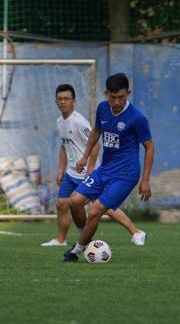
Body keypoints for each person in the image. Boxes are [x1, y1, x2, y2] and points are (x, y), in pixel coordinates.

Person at [62, 73, 154, 262]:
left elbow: (149, 147)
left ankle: (76, 251)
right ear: (106, 94)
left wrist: (145, 180)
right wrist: (85, 157)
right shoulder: (103, 108)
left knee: (95, 210)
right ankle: (85, 238)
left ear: (128, 93)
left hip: (126, 174)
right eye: (113, 97)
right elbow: (96, 131)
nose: (117, 102)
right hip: (105, 169)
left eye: (121, 97)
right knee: (74, 202)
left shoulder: (137, 118)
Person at [41, 83, 146, 247]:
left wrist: (90, 168)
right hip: (71, 172)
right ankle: (61, 240)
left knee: (105, 207)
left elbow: (96, 144)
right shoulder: (60, 122)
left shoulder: (79, 122)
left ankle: (135, 231)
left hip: (86, 172)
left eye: (67, 98)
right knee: (61, 204)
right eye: (60, 99)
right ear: (56, 102)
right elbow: (64, 146)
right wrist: (61, 170)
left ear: (74, 100)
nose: (63, 102)